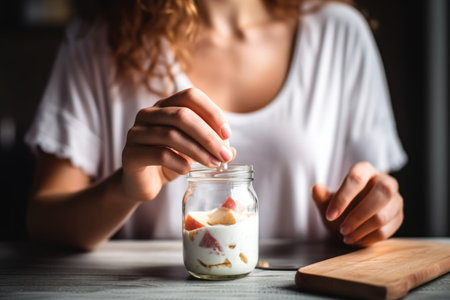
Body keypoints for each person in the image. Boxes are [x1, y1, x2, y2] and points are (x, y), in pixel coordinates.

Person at [25, 0, 407, 251]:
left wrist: (366, 214)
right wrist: (125, 189)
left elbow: (364, 207)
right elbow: (43, 222)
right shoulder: (98, 41)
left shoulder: (339, 34)